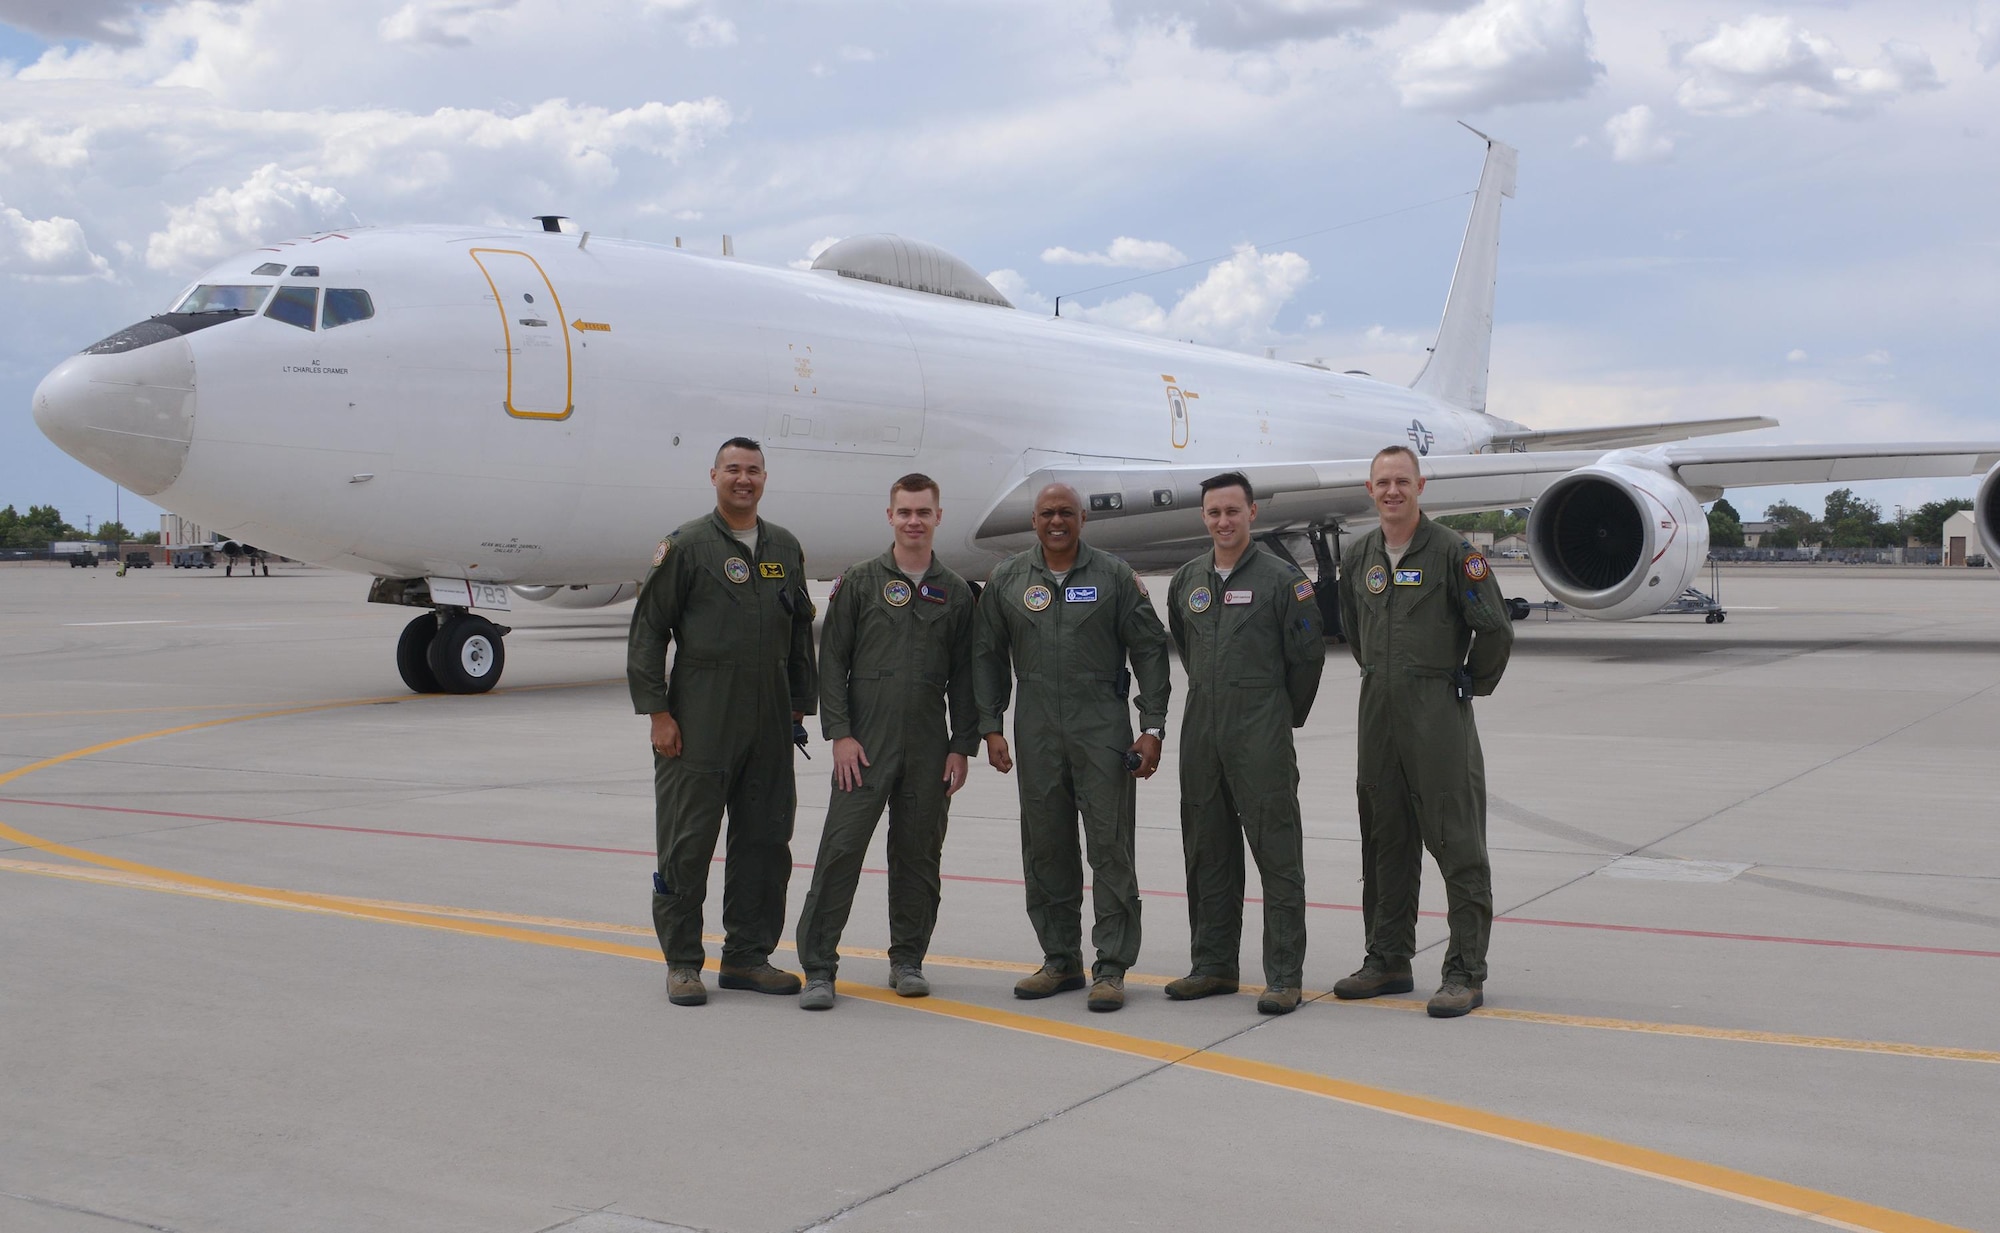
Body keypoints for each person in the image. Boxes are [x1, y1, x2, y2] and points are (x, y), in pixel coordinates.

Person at [627, 437, 819, 1007]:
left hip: (768, 716)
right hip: (700, 714)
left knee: (765, 840)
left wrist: (798, 704)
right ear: (713, 475)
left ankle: (747, 956)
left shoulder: (785, 545)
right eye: (733, 469)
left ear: (765, 478)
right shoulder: (685, 546)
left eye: (753, 470)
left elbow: (800, 628)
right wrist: (658, 712)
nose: (744, 479)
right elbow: (648, 632)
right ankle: (684, 962)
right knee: (687, 841)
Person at [973, 483, 1171, 1012]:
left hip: (1101, 726)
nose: (1056, 521)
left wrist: (1151, 726)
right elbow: (987, 654)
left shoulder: (1113, 576)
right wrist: (990, 725)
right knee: (1045, 846)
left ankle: (1111, 968)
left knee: (1109, 846)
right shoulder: (1009, 579)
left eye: (1066, 513)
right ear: (1033, 520)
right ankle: (1060, 960)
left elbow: (1151, 649)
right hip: (1035, 725)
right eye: (1046, 514)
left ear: (1082, 518)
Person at [1334, 445, 1513, 1017]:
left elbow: (1495, 631)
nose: (1392, 491)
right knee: (1385, 838)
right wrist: (1385, 675)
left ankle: (1465, 971)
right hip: (1377, 712)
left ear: (1420, 486)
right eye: (1382, 482)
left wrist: (1465, 684)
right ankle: (1387, 959)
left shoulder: (1454, 554)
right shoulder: (1359, 554)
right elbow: (1355, 631)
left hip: (1436, 713)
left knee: (1456, 840)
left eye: (1402, 481)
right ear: (1370, 489)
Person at [793, 474, 980, 1011]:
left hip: (929, 742)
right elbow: (832, 661)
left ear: (938, 517)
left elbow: (967, 676)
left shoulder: (958, 593)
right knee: (841, 850)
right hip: (865, 743)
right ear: (890, 516)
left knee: (919, 854)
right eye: (905, 512)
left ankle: (907, 961)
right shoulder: (859, 582)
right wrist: (840, 735)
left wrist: (960, 744)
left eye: (924, 511)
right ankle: (819, 969)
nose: (914, 521)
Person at [1164, 472, 1326, 1015]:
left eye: (1233, 511)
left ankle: (1283, 974)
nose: (1223, 521)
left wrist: (1278, 716)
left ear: (1252, 513)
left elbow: (1307, 660)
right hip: (1201, 732)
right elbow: (1188, 647)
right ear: (1203, 517)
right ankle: (1212, 965)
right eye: (1213, 512)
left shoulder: (1284, 581)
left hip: (1260, 733)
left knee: (1277, 855)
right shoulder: (1187, 580)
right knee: (1206, 852)